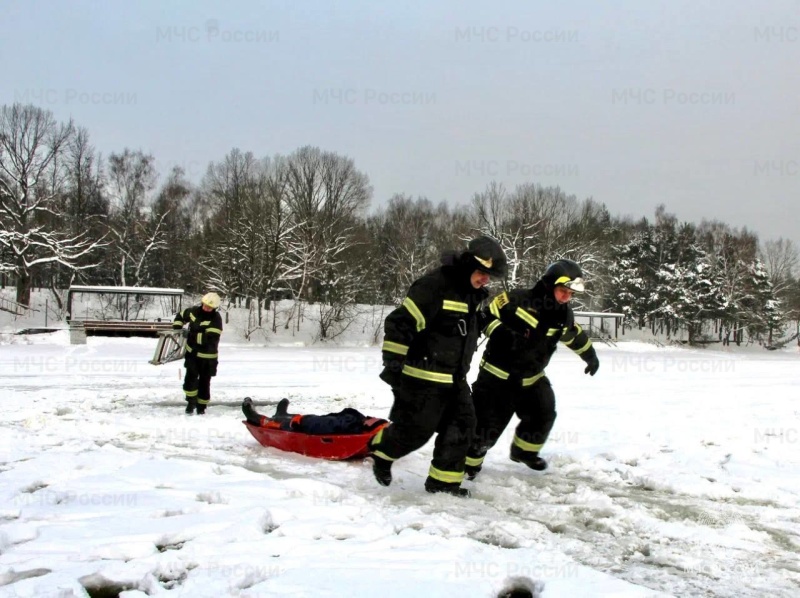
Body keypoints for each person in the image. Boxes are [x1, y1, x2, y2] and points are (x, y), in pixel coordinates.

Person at [369, 236, 507, 497]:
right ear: (467, 266)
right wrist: (394, 366)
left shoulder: (471, 296)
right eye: (481, 273)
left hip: (454, 380)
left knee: (463, 426)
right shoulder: (434, 287)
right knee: (414, 432)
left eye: (489, 276)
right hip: (422, 378)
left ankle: (443, 485)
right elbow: (400, 323)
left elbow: (468, 330)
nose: (485, 280)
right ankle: (381, 450)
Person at [465, 259, 600, 479]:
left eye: (570, 294)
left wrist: (590, 356)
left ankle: (524, 452)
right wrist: (500, 332)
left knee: (544, 412)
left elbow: (572, 335)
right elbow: (482, 318)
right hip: (497, 378)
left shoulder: (563, 315)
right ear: (549, 285)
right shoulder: (515, 299)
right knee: (486, 430)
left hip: (531, 378)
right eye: (562, 291)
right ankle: (469, 464)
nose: (566, 297)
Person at [172, 292, 223, 414]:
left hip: (207, 357)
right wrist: (178, 328)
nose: (206, 308)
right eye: (205, 305)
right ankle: (191, 402)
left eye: (209, 307)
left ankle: (201, 407)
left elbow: (210, 338)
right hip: (192, 355)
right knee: (190, 379)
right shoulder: (194, 311)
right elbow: (181, 315)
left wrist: (190, 335)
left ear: (214, 308)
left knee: (205, 382)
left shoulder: (216, 319)